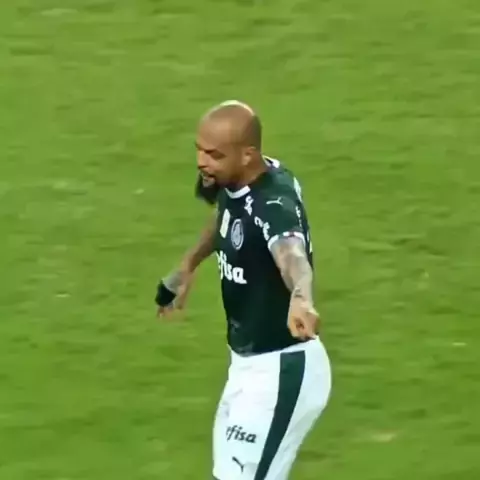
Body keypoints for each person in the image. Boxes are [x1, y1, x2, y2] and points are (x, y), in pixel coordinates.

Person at [156, 100, 332, 480]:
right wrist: (189, 264)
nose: (202, 162)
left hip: (281, 369)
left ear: (247, 154)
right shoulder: (235, 182)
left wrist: (301, 296)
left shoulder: (273, 204)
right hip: (247, 367)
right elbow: (226, 213)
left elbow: (291, 253)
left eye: (214, 155)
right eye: (199, 150)